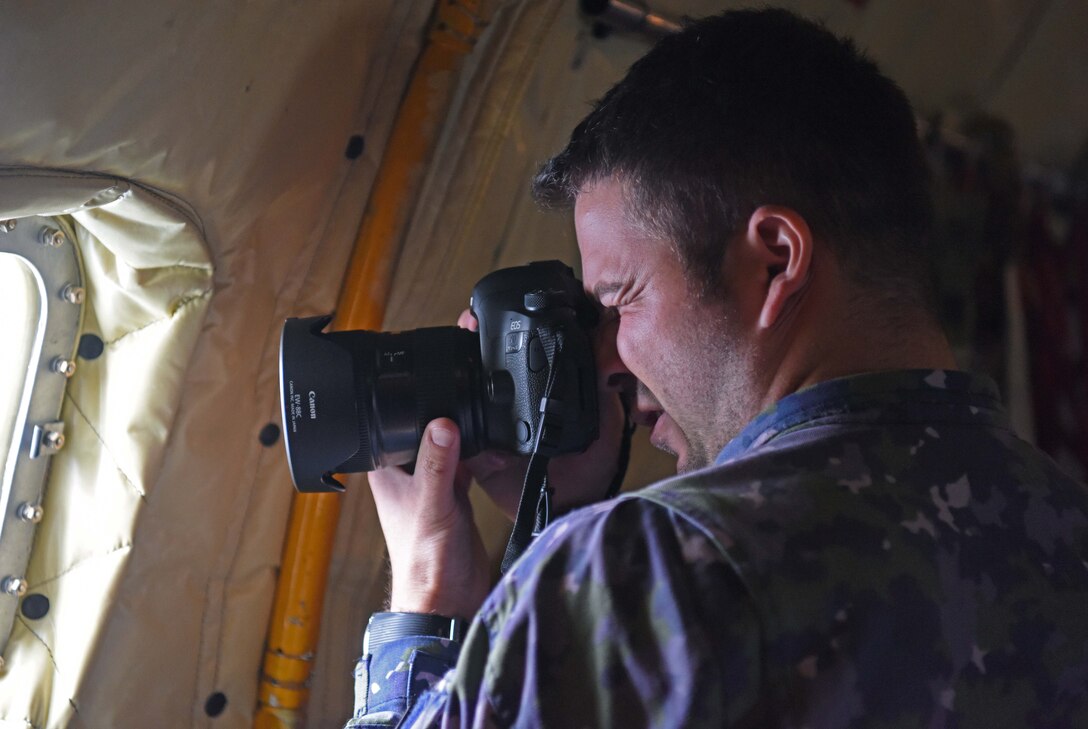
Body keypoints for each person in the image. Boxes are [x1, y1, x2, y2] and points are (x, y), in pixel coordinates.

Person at [348, 8, 1088, 728]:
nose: (609, 358)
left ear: (775, 261)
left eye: (622, 300)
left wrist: (426, 596)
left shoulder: (652, 571)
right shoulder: (1063, 525)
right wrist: (562, 528)